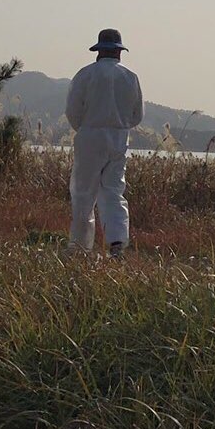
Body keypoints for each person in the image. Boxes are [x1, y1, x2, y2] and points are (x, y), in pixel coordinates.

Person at [65, 28, 143, 257]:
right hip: (119, 138)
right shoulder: (130, 77)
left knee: (83, 193)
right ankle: (117, 243)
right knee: (113, 190)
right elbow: (137, 115)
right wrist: (120, 126)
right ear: (119, 51)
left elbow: (72, 110)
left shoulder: (85, 74)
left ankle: (80, 246)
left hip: (90, 134)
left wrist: (85, 128)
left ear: (98, 50)